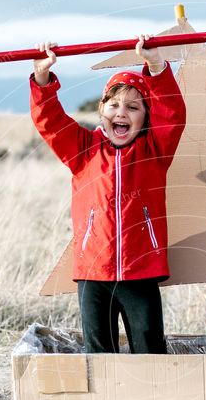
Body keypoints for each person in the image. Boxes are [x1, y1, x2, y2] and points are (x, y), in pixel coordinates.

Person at [30, 35, 185, 353]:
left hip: (141, 270)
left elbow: (172, 114)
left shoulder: (154, 151)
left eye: (133, 107)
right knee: (99, 353)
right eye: (113, 105)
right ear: (101, 110)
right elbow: (49, 121)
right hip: (92, 273)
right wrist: (43, 78)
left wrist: (156, 67)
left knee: (150, 348)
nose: (122, 112)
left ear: (146, 115)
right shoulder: (82, 149)